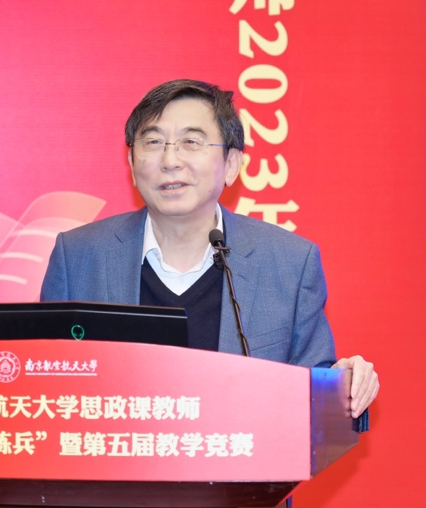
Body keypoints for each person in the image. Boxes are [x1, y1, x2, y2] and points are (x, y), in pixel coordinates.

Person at [40, 79, 379, 417]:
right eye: (153, 142)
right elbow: (43, 390)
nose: (170, 160)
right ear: (131, 163)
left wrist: (343, 389)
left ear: (231, 164)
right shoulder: (78, 256)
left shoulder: (289, 263)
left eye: (191, 142)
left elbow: (315, 410)